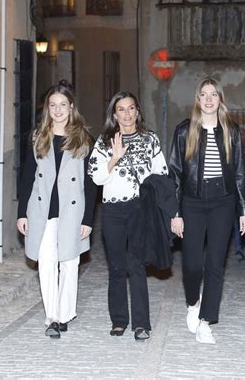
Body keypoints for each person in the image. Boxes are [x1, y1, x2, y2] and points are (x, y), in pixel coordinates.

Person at [169, 76, 245, 344]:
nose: (208, 99)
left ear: (220, 100)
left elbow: (239, 173)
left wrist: (243, 210)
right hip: (192, 203)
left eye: (213, 94)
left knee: (215, 264)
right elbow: (176, 174)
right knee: (192, 265)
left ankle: (206, 321)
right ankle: (193, 302)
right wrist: (176, 213)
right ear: (197, 99)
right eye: (203, 94)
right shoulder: (184, 131)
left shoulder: (231, 131)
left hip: (222, 203)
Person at [17, 80, 96, 339]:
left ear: (71, 107)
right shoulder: (38, 136)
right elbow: (27, 176)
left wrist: (88, 219)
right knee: (46, 263)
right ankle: (52, 316)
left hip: (71, 212)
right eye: (53, 105)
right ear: (47, 109)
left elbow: (90, 182)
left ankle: (64, 315)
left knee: (69, 263)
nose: (58, 110)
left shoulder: (83, 138)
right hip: (42, 211)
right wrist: (21, 213)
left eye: (63, 105)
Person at [88, 91, 168, 341]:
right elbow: (96, 177)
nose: (127, 114)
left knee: (136, 265)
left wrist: (161, 207)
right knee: (116, 267)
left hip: (139, 209)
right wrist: (113, 159)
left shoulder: (149, 139)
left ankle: (141, 324)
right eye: (121, 109)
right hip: (113, 210)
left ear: (137, 111)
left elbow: (162, 173)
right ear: (114, 114)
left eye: (131, 108)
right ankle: (119, 320)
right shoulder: (104, 141)